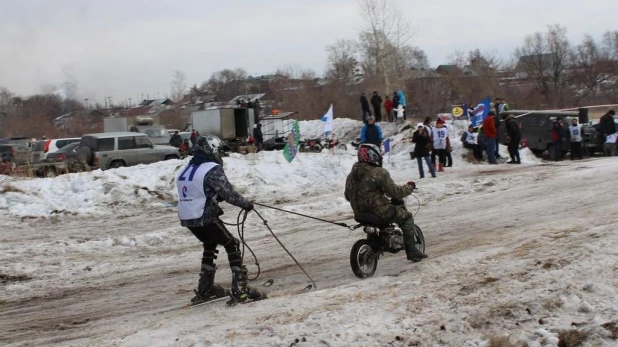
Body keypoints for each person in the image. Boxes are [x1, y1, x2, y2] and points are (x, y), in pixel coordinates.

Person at [176, 136, 265, 305]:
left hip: (187, 218)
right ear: (212, 150)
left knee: (210, 243)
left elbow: (197, 193)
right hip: (204, 216)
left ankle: (206, 288)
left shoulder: (186, 169)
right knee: (232, 244)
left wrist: (213, 203)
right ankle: (240, 290)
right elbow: (229, 194)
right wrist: (246, 204)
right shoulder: (211, 168)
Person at [344, 143, 428, 262]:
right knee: (407, 217)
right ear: (373, 156)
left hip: (359, 213)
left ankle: (375, 244)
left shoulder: (351, 176)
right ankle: (412, 251)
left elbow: (348, 196)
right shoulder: (379, 172)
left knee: (381, 220)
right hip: (378, 211)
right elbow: (395, 192)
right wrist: (409, 188)